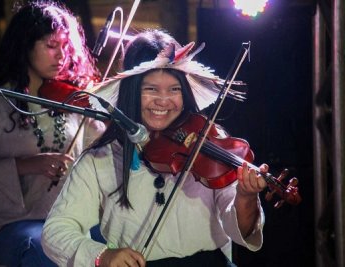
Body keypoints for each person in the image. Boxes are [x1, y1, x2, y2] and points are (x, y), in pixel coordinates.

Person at [41, 29, 268, 267]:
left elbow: (239, 229)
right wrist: (102, 256)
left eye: (174, 89)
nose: (163, 100)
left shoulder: (208, 142)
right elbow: (56, 231)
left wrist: (246, 196)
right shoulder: (103, 157)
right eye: (150, 89)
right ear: (131, 91)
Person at [0, 1, 104, 266]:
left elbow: (105, 159)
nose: (61, 56)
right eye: (51, 46)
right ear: (25, 47)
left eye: (65, 46)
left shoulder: (72, 103)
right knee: (46, 251)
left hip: (75, 221)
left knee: (133, 241)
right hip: (18, 225)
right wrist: (25, 166)